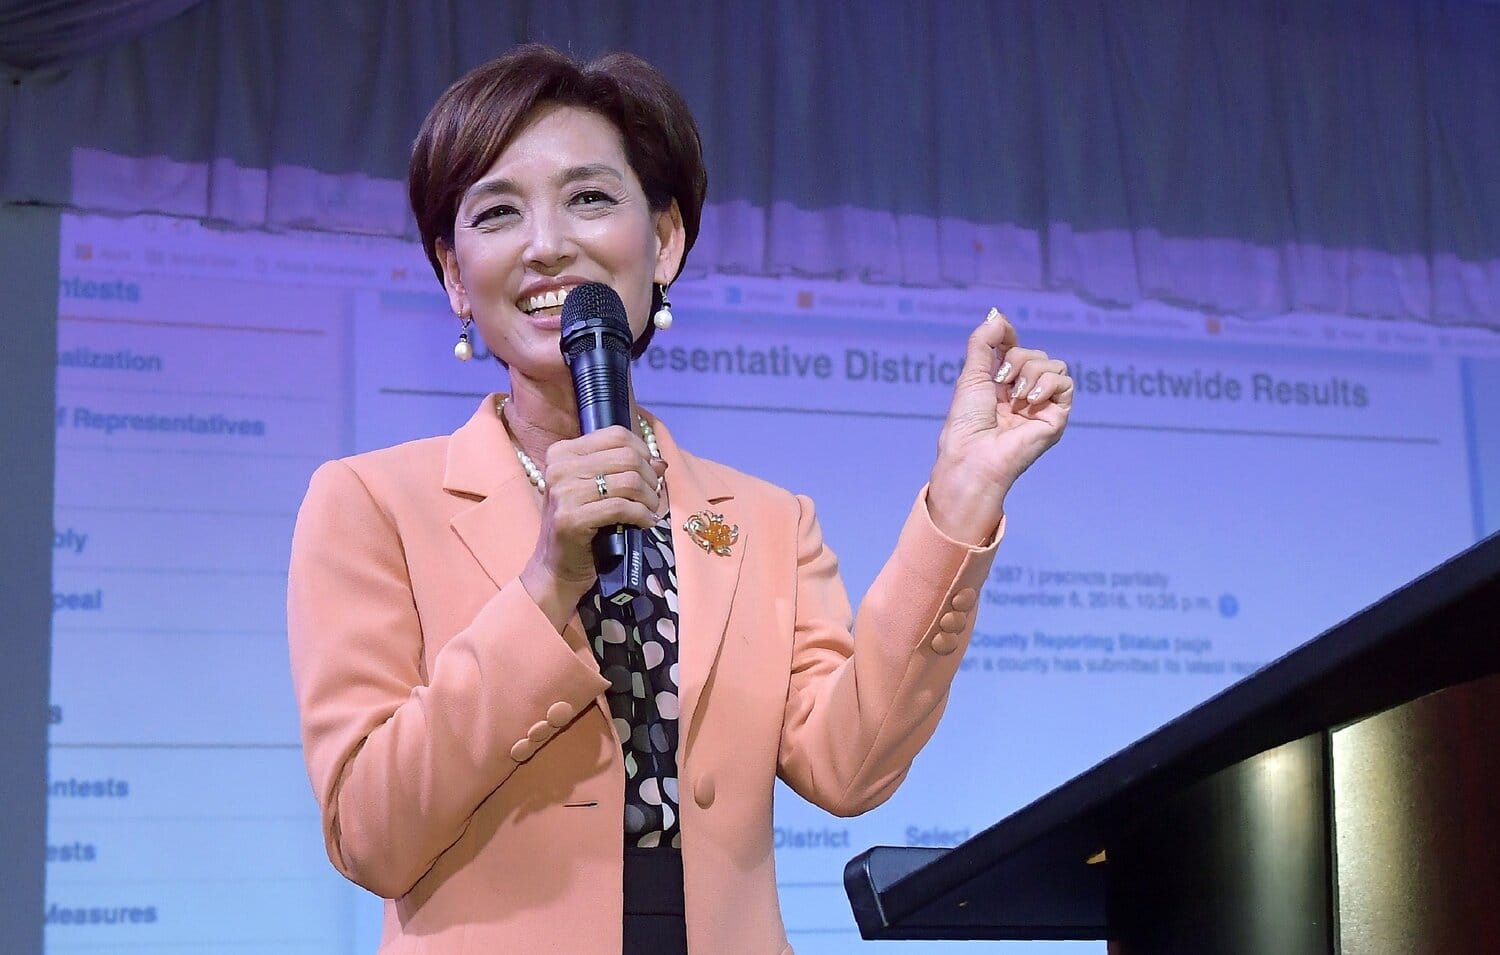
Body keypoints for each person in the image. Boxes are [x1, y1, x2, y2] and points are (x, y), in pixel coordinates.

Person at [287, 44, 1073, 955]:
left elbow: (848, 765)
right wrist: (547, 585)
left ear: (663, 241)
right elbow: (371, 832)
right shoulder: (370, 503)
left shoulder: (768, 521)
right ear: (455, 274)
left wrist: (962, 496)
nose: (548, 243)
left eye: (589, 197)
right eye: (497, 211)